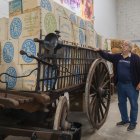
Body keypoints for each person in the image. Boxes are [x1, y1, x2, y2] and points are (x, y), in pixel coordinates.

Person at [95, 41, 140, 131]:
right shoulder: (117, 56)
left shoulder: (135, 58)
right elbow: (107, 56)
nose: (122, 46)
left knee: (133, 104)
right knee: (121, 103)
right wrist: (100, 51)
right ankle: (125, 120)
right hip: (120, 85)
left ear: (129, 48)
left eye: (125, 45)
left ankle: (133, 123)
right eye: (122, 45)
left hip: (132, 85)